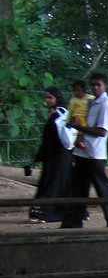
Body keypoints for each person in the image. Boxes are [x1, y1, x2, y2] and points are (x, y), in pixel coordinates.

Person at [61, 72, 108, 228]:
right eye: (93, 84)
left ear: (105, 86)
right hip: (83, 151)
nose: (95, 87)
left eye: (98, 85)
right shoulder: (91, 102)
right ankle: (73, 221)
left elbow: (101, 131)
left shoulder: (106, 105)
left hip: (95, 154)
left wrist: (79, 127)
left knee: (103, 189)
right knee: (78, 189)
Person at [27, 86, 74, 223]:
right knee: (50, 182)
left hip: (60, 156)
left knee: (54, 184)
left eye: (50, 97)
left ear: (57, 98)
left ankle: (46, 214)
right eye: (46, 97)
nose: (47, 100)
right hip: (52, 156)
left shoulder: (61, 113)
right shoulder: (54, 113)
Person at [67, 79, 93, 153]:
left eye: (78, 90)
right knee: (80, 129)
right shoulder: (73, 100)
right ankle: (77, 143)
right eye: (74, 90)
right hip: (77, 117)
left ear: (83, 90)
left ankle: (79, 143)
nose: (76, 92)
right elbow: (70, 111)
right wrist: (68, 121)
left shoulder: (90, 98)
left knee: (83, 129)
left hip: (86, 117)